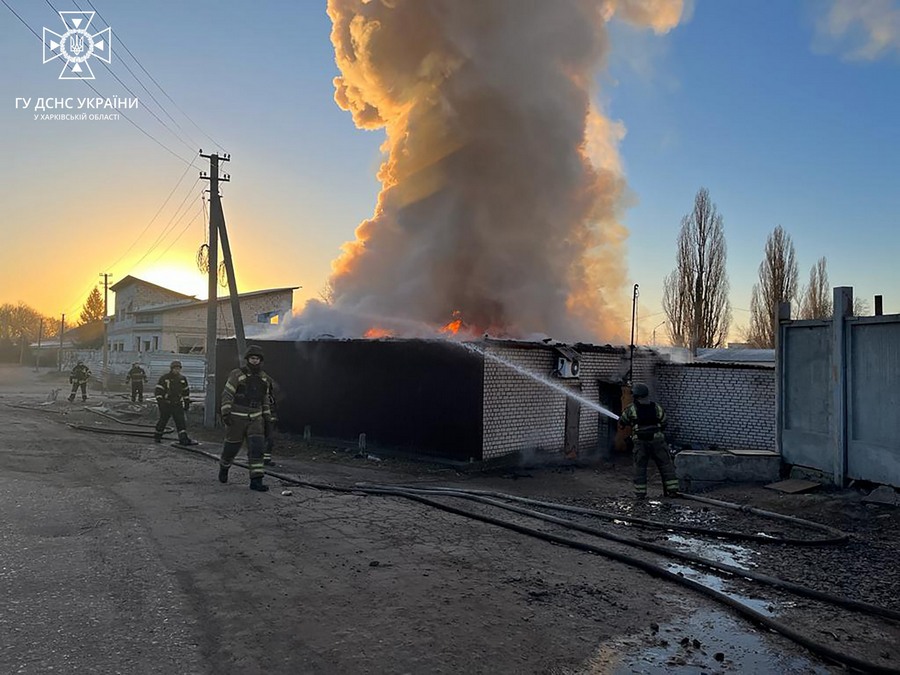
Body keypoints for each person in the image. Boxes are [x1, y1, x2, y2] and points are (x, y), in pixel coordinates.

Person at [218, 344, 275, 492]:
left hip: (256, 418)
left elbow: (265, 400)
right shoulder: (237, 374)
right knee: (231, 448)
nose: (254, 361)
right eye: (252, 358)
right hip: (236, 418)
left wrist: (268, 419)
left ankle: (256, 481)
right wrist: (226, 412)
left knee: (257, 449)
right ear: (247, 359)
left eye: (257, 358)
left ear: (260, 360)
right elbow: (227, 394)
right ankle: (224, 467)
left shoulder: (264, 378)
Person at [618, 382, 680, 499]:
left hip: (640, 442)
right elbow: (664, 421)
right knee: (666, 465)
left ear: (636, 395)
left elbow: (623, 421)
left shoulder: (631, 409)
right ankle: (672, 491)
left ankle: (640, 494)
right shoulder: (656, 407)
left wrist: (622, 423)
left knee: (640, 468)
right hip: (657, 441)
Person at [153, 360, 196, 446]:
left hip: (177, 404)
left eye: (178, 369)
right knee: (163, 421)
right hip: (166, 404)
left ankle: (183, 439)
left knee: (180, 422)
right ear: (171, 369)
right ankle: (157, 437)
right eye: (175, 368)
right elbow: (158, 392)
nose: (177, 370)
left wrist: (186, 403)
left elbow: (186, 392)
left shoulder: (182, 379)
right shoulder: (164, 378)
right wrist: (161, 403)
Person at [263, 378, 281, 466]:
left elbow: (274, 409)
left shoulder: (272, 398)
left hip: (269, 421)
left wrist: (273, 418)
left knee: (269, 440)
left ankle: (266, 459)